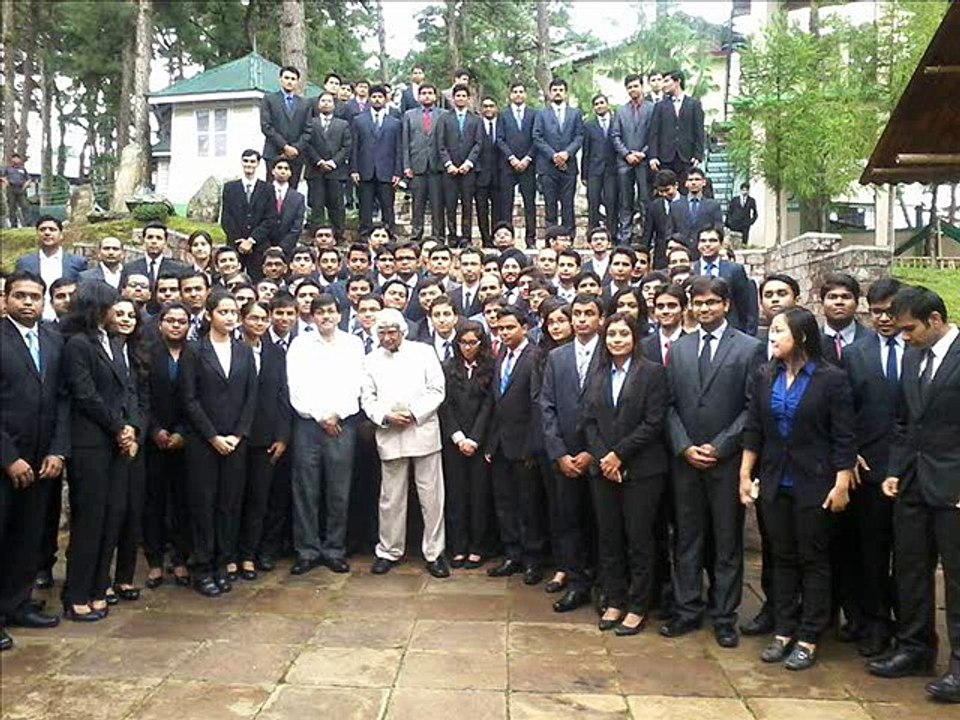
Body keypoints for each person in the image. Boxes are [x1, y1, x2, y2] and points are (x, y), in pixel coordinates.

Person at [740, 307, 856, 670]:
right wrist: (745, 475)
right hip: (775, 480)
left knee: (814, 559)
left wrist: (841, 483)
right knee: (782, 556)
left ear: (801, 337)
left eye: (778, 332)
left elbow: (843, 436)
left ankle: (809, 635)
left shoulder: (830, 379)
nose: (771, 338)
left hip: (816, 482)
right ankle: (784, 630)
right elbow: (754, 429)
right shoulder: (764, 375)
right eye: (771, 331)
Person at [661, 277, 764, 648]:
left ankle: (724, 615)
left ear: (727, 305)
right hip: (686, 461)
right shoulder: (681, 347)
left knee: (726, 541)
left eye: (711, 303)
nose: (704, 309)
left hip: (726, 462)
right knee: (687, 538)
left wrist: (720, 446)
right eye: (698, 303)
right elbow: (668, 405)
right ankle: (688, 609)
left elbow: (754, 406)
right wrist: (684, 446)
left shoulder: (750, 348)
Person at [868, 286, 960, 703]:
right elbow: (905, 422)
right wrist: (893, 471)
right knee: (909, 568)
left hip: (953, 488)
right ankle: (915, 648)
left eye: (910, 330)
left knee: (957, 581)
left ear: (936, 321)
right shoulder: (911, 356)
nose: (903, 337)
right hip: (912, 482)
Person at [581, 312, 670, 635]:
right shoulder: (598, 373)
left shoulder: (652, 373)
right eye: (612, 335)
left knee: (639, 539)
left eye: (623, 334)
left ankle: (637, 606)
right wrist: (605, 457)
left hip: (642, 469)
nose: (617, 339)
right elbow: (589, 420)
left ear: (635, 338)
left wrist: (619, 454)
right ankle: (615, 599)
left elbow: (653, 422)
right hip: (604, 469)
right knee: (609, 538)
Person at [61, 282, 140, 621]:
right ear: (97, 308)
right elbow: (85, 394)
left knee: (112, 516)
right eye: (112, 306)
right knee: (90, 519)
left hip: (116, 443)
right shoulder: (79, 345)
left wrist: (130, 426)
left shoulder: (115, 343)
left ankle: (98, 587)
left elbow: (127, 390)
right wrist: (117, 427)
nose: (117, 312)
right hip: (91, 442)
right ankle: (77, 592)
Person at [841, 277, 910, 658]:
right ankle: (876, 623)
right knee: (870, 551)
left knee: (911, 557)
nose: (884, 319)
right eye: (877, 311)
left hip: (913, 469)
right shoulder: (856, 353)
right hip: (868, 467)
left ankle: (911, 626)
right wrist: (849, 452)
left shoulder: (920, 349)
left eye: (891, 311)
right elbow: (844, 410)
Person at [0, 271, 68, 649]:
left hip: (43, 460)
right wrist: (9, 458)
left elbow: (61, 398)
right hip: (6, 458)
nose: (28, 303)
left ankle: (17, 603)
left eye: (35, 297)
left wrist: (57, 450)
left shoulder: (52, 339)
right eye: (21, 296)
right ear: (7, 298)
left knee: (29, 536)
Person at [361, 308, 449, 578]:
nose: (387, 337)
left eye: (392, 332)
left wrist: (413, 412)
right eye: (382, 333)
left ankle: (435, 553)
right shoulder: (370, 360)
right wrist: (385, 416)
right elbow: (367, 398)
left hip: (421, 429)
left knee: (432, 496)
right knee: (391, 498)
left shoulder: (423, 352)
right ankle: (388, 550)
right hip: (389, 432)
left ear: (403, 331)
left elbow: (437, 389)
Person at [180, 291, 258, 597]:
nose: (229, 317)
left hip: (235, 442)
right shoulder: (194, 351)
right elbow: (189, 398)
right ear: (210, 314)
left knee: (229, 504)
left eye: (233, 312)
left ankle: (223, 562)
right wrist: (213, 436)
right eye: (223, 311)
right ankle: (203, 567)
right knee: (203, 505)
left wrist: (237, 435)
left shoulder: (244, 351)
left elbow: (251, 397)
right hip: (204, 442)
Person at [287, 294, 364, 575]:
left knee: (339, 490)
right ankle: (307, 550)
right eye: (319, 312)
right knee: (305, 489)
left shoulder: (353, 344)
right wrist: (320, 416)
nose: (325, 317)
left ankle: (334, 549)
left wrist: (337, 415)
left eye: (330, 311)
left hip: (343, 423)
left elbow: (357, 384)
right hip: (308, 424)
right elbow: (295, 385)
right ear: (312, 316)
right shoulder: (300, 345)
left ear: (340, 314)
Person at [540, 294, 604, 613]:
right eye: (576, 313)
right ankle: (577, 582)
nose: (581, 319)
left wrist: (593, 452)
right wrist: (560, 453)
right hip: (564, 456)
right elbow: (547, 406)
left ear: (600, 319)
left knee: (602, 523)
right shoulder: (557, 357)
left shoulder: (611, 352)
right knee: (570, 521)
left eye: (588, 313)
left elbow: (615, 408)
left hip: (599, 456)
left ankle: (604, 585)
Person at [486, 307, 544, 584]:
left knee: (529, 505)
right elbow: (497, 402)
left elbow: (538, 405)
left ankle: (533, 559)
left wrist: (533, 446)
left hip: (525, 446)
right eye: (500, 328)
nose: (504, 332)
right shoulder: (501, 356)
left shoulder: (535, 357)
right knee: (505, 502)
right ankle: (512, 554)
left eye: (510, 327)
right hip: (501, 444)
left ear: (524, 327)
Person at [233, 300, 290, 581]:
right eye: (253, 318)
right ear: (242, 320)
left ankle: (252, 554)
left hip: (265, 436)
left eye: (263, 319)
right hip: (234, 435)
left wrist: (282, 436)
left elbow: (283, 396)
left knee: (260, 498)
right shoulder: (232, 349)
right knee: (234, 498)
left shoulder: (276, 353)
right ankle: (231, 554)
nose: (258, 323)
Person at [142, 302, 192, 590]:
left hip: (186, 440)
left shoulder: (195, 353)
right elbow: (142, 396)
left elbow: (198, 397)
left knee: (183, 502)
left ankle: (181, 558)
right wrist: (156, 430)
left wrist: (182, 432)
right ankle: (154, 561)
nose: (176, 325)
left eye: (181, 321)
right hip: (155, 439)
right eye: (170, 320)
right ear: (160, 324)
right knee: (154, 501)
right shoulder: (148, 353)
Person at [439, 320, 495, 569]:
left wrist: (475, 438)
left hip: (480, 441)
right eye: (463, 342)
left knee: (479, 496)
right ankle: (458, 546)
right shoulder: (448, 367)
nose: (468, 347)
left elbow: (489, 406)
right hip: (455, 441)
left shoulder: (490, 367)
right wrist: (458, 437)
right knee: (456, 494)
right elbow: (445, 405)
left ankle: (477, 546)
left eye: (473, 342)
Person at [105, 298, 149, 605]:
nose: (125, 319)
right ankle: (101, 579)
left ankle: (124, 577)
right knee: (109, 513)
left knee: (133, 512)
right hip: (108, 441)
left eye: (130, 315)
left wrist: (136, 432)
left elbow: (143, 398)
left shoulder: (137, 352)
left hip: (135, 443)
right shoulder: (102, 349)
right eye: (119, 314)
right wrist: (120, 431)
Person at [533, 78, 584, 233]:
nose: (558, 93)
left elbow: (579, 136)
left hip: (569, 166)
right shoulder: (541, 114)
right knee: (550, 203)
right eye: (554, 90)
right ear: (550, 93)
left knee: (568, 203)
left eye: (561, 90)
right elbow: (537, 136)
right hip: (548, 166)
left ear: (566, 93)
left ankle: (569, 236)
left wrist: (567, 153)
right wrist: (553, 155)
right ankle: (551, 236)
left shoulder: (575, 113)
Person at [351, 85, 402, 237]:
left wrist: (397, 172)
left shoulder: (394, 122)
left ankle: (389, 233)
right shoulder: (359, 120)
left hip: (387, 171)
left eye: (380, 97)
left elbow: (398, 149)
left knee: (387, 205)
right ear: (369, 99)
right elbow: (354, 147)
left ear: (386, 99)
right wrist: (354, 169)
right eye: (374, 97)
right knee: (365, 206)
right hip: (365, 170)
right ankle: (364, 235)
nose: (377, 99)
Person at [220, 150, 278, 282]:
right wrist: (239, 240)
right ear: (241, 162)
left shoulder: (267, 188)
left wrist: (251, 240)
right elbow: (226, 218)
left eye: (252, 161)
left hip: (258, 246)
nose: (249, 164)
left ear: (258, 163)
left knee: (258, 281)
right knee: (232, 280)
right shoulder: (230, 188)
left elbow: (270, 218)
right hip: (236, 245)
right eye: (246, 161)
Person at [15, 216, 88, 321]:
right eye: (42, 229)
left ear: (61, 235)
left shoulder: (78, 262)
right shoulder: (24, 263)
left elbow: (83, 293)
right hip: (34, 319)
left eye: (52, 229)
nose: (47, 233)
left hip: (69, 320)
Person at [611, 74, 655, 244]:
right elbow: (615, 136)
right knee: (625, 201)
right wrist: (627, 154)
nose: (632, 90)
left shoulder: (652, 109)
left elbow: (654, 135)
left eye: (635, 86)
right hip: (625, 162)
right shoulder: (621, 111)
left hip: (644, 161)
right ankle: (625, 237)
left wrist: (643, 153)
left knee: (645, 200)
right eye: (629, 87)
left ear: (642, 87)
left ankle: (646, 237)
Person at [302, 91, 352, 242]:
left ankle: (338, 235)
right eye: (323, 101)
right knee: (317, 205)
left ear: (334, 105)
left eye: (329, 101)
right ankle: (316, 236)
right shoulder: (311, 122)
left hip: (336, 171)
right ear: (318, 104)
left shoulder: (343, 124)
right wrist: (318, 161)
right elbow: (307, 144)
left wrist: (333, 162)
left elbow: (347, 146)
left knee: (336, 205)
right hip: (315, 170)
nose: (326, 103)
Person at [436, 84, 482, 247]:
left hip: (468, 170)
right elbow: (440, 144)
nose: (460, 98)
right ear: (453, 98)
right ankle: (452, 236)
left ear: (468, 99)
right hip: (449, 170)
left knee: (467, 205)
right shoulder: (444, 118)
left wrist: (468, 163)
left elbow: (478, 144)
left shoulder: (476, 119)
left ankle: (466, 237)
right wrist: (448, 164)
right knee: (450, 204)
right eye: (458, 96)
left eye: (464, 96)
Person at [648, 70, 705, 192]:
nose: (663, 84)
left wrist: (698, 155)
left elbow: (699, 131)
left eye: (667, 81)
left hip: (686, 156)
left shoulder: (694, 104)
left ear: (678, 81)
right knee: (665, 190)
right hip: (665, 157)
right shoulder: (660, 106)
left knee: (685, 192)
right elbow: (654, 133)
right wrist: (653, 156)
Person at [497, 82, 539, 248]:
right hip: (508, 165)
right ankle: (508, 239)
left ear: (526, 95)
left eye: (521, 92)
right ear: (510, 95)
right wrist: (512, 158)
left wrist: (528, 158)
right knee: (506, 203)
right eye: (515, 92)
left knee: (530, 203)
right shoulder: (503, 115)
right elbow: (499, 139)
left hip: (528, 165)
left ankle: (531, 239)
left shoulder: (534, 114)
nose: (518, 94)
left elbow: (537, 138)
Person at [693, 227, 757, 335]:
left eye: (713, 240)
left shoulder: (735, 270)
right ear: (698, 244)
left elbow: (745, 304)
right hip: (697, 330)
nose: (707, 244)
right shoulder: (692, 270)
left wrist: (749, 333)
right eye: (703, 241)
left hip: (731, 330)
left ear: (721, 244)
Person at [403, 83, 445, 242]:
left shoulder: (444, 114)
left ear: (435, 96)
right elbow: (405, 142)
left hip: (437, 166)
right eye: (424, 93)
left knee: (437, 204)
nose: (427, 96)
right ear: (419, 97)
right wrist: (406, 165)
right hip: (417, 165)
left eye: (430, 93)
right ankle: (416, 235)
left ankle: (438, 236)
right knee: (417, 204)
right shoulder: (409, 115)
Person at [260, 65, 312, 184]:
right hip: (274, 152)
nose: (289, 81)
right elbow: (266, 126)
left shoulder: (305, 103)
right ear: (280, 79)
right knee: (271, 192)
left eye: (293, 79)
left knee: (292, 193)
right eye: (287, 78)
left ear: (297, 82)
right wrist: (285, 147)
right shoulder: (269, 99)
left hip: (296, 155)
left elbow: (308, 130)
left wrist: (296, 148)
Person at [581, 94, 619, 236]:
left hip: (612, 169)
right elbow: (586, 150)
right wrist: (584, 174)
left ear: (607, 104)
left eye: (602, 103)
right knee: (593, 202)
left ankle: (612, 234)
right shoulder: (589, 125)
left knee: (611, 202)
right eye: (596, 104)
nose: (599, 106)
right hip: (594, 170)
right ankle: (592, 233)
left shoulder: (616, 122)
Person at [820, 273, 876, 365]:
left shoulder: (873, 341)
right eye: (832, 297)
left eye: (846, 297)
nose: (839, 302)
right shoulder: (811, 343)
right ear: (822, 303)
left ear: (857, 303)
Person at [643, 170, 691, 270]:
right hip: (661, 257)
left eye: (667, 190)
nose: (664, 194)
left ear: (676, 185)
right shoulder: (654, 206)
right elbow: (648, 233)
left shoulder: (688, 204)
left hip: (683, 255)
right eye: (661, 191)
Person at [474, 96, 502, 248]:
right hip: (480, 175)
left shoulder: (502, 124)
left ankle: (497, 238)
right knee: (481, 210)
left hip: (499, 175)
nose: (488, 109)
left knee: (498, 210)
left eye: (491, 106)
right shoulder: (476, 124)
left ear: (496, 108)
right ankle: (486, 240)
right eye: (485, 106)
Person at [270, 158, 307, 257]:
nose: (283, 171)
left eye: (286, 168)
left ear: (290, 173)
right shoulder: (263, 193)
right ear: (273, 171)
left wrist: (283, 246)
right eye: (280, 168)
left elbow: (297, 225)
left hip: (288, 250)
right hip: (264, 248)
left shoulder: (298, 197)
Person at [1, 152, 32, 227]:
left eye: (17, 158)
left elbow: (29, 179)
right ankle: (13, 224)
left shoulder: (23, 169)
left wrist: (26, 184)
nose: (16, 159)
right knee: (12, 207)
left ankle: (28, 223)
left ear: (19, 159)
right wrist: (6, 181)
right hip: (11, 189)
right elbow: (2, 176)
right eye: (14, 158)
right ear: (12, 159)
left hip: (21, 189)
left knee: (25, 206)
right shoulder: (8, 168)